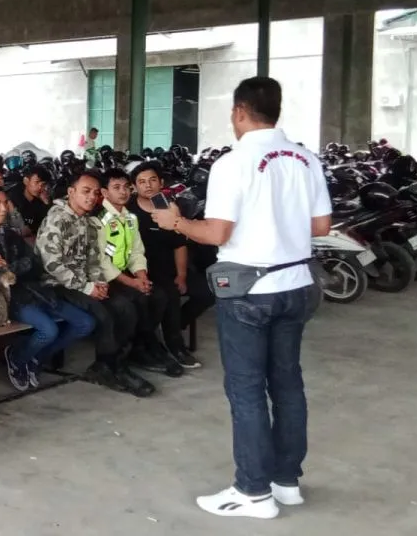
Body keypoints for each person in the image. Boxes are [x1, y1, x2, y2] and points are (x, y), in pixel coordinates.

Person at [151, 78, 330, 519]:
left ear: (239, 111)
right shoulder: (305, 158)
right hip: (297, 285)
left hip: (250, 291)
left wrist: (176, 223)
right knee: (287, 383)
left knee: (247, 389)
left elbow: (217, 233)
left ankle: (254, 491)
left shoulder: (233, 163)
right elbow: (321, 226)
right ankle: (286, 482)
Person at [37, 171, 155, 397]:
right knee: (104, 314)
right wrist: (87, 287)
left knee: (126, 308)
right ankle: (106, 368)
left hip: (83, 283)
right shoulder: (57, 219)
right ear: (71, 192)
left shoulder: (88, 221)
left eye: (94, 192)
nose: (91, 197)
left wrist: (99, 282)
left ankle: (113, 364)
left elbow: (93, 259)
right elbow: (51, 264)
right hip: (56, 285)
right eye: (85, 191)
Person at [0, 186, 95, 392]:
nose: (4, 208)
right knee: (49, 330)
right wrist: (15, 267)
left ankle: (36, 356)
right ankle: (17, 357)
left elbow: (36, 262)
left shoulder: (10, 234)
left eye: (6, 203)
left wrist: (11, 265)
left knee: (85, 323)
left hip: (37, 290)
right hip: (8, 299)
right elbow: (0, 276)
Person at [98, 169, 182, 378]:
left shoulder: (129, 217)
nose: (123, 192)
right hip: (103, 277)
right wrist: (132, 282)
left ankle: (146, 344)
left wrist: (141, 276)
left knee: (158, 296)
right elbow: (101, 261)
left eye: (126, 187)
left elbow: (136, 251)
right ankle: (130, 351)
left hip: (124, 273)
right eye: (116, 187)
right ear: (105, 192)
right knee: (132, 303)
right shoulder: (99, 218)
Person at [128, 162, 205, 369]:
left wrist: (181, 275)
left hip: (170, 267)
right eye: (142, 182)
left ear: (161, 183)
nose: (148, 185)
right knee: (168, 294)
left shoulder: (170, 208)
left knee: (207, 292)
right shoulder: (128, 210)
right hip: (142, 270)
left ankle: (174, 325)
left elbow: (180, 245)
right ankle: (174, 344)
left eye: (152, 180)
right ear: (134, 186)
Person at [12, 165, 51, 235]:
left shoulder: (41, 201)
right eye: (36, 182)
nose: (39, 187)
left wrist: (46, 203)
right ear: (26, 181)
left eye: (43, 184)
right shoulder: (13, 199)